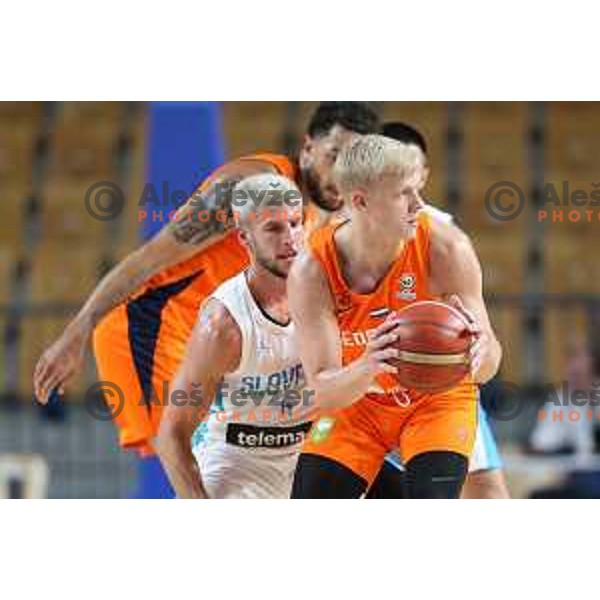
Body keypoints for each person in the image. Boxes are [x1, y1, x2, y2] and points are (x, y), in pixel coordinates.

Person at [34, 102, 379, 458]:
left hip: (216, 346)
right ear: (308, 148)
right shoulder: (249, 188)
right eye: (334, 156)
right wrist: (76, 332)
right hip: (150, 327)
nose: (343, 174)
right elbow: (150, 257)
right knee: (186, 460)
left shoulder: (328, 215)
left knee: (253, 461)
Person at [288, 135, 503, 498]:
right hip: (358, 405)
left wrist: (479, 355)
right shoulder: (311, 269)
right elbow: (324, 390)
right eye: (404, 193)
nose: (419, 204)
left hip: (435, 400)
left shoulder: (448, 248)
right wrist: (368, 364)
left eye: (418, 190)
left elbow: (491, 362)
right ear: (360, 201)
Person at [372, 121, 509, 499]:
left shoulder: (444, 234)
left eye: (411, 166)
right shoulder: (341, 233)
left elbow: (485, 344)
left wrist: (476, 354)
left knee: (487, 492)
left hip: (438, 377)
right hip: (372, 385)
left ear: (424, 173)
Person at [157, 174, 315, 498]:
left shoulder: (326, 291)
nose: (291, 238)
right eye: (273, 228)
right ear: (244, 238)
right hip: (238, 460)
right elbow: (171, 435)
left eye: (296, 223)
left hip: (311, 454)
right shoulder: (222, 325)